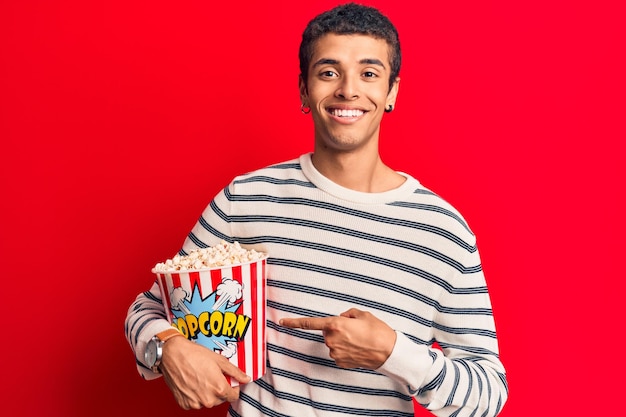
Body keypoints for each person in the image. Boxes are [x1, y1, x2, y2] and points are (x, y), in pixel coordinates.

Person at [125, 3, 508, 416]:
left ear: (392, 91)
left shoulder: (442, 231)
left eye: (369, 73)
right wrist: (168, 348)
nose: (347, 90)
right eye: (329, 72)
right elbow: (149, 307)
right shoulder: (246, 198)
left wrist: (393, 353)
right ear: (305, 89)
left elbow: (488, 393)